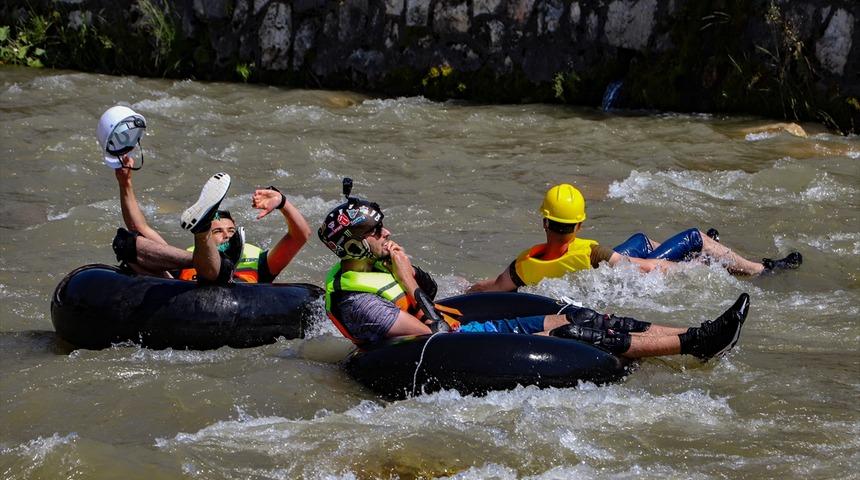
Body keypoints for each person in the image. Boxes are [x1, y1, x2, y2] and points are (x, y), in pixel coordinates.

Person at [318, 191, 751, 361]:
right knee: (582, 338)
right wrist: (407, 277)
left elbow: (434, 295)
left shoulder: (373, 266)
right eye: (375, 231)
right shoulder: (356, 301)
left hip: (468, 326)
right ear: (353, 243)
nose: (386, 234)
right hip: (453, 347)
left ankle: (698, 331)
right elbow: (432, 333)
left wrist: (410, 274)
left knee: (588, 318)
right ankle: (694, 345)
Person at [98, 105, 310, 284]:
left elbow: (300, 236)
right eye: (216, 231)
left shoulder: (259, 262)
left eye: (230, 230)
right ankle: (202, 246)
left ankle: (204, 237)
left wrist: (283, 202)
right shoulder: (181, 260)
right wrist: (124, 182)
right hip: (187, 297)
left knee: (216, 268)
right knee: (126, 243)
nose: (226, 235)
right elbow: (140, 228)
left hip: (236, 297)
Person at [468, 183, 802, 293]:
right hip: (618, 278)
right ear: (579, 226)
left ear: (545, 223)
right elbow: (645, 269)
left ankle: (712, 249)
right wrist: (694, 271)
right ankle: (759, 269)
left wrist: (463, 288)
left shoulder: (524, 265)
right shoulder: (591, 252)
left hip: (595, 281)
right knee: (695, 237)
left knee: (642, 238)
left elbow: (490, 287)